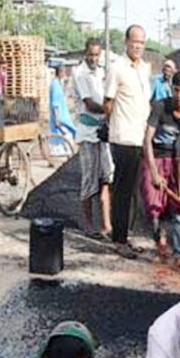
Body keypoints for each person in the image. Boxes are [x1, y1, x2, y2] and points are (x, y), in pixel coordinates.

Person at [104, 24, 153, 260]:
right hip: (123, 136)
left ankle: (125, 234)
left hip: (140, 136)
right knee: (122, 190)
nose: (138, 46)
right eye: (134, 42)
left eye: (142, 43)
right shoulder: (117, 67)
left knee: (132, 190)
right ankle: (119, 240)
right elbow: (108, 103)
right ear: (126, 42)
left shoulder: (145, 68)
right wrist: (112, 125)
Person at [140, 71, 180, 270]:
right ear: (171, 89)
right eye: (176, 90)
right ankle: (159, 238)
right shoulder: (160, 107)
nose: (179, 96)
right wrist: (154, 172)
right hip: (152, 158)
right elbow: (146, 140)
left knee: (177, 208)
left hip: (171, 161)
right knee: (153, 206)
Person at [72, 38, 115, 240]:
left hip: (102, 131)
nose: (94, 58)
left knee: (106, 176)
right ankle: (88, 224)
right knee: (89, 179)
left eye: (97, 55)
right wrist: (110, 109)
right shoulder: (80, 73)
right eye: (91, 54)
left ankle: (106, 223)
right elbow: (90, 104)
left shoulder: (101, 72)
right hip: (88, 133)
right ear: (85, 53)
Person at [49, 65, 76, 144]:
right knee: (65, 138)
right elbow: (55, 104)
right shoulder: (55, 85)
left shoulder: (58, 83)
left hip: (63, 116)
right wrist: (57, 119)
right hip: (60, 117)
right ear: (60, 72)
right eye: (63, 72)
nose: (65, 74)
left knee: (68, 136)